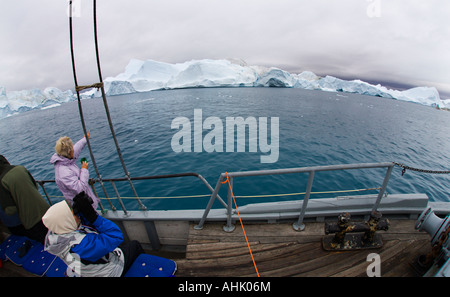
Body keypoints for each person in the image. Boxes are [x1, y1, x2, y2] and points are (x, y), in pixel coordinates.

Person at [42, 192, 144, 277]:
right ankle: (142, 266)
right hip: (109, 272)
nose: (77, 216)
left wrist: (84, 212)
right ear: (66, 221)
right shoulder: (80, 246)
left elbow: (81, 228)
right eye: (74, 214)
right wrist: (94, 217)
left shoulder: (56, 234)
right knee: (135, 245)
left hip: (89, 268)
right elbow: (116, 236)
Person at [0, 155, 49, 244]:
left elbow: (11, 210)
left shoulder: (2, 181)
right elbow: (36, 186)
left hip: (31, 221)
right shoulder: (20, 168)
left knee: (47, 243)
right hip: (46, 209)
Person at [50, 130, 100, 210]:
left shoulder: (65, 158)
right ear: (70, 152)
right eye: (72, 148)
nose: (74, 149)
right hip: (83, 208)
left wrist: (85, 139)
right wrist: (84, 170)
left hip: (86, 203)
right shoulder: (63, 173)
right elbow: (80, 189)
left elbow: (76, 149)